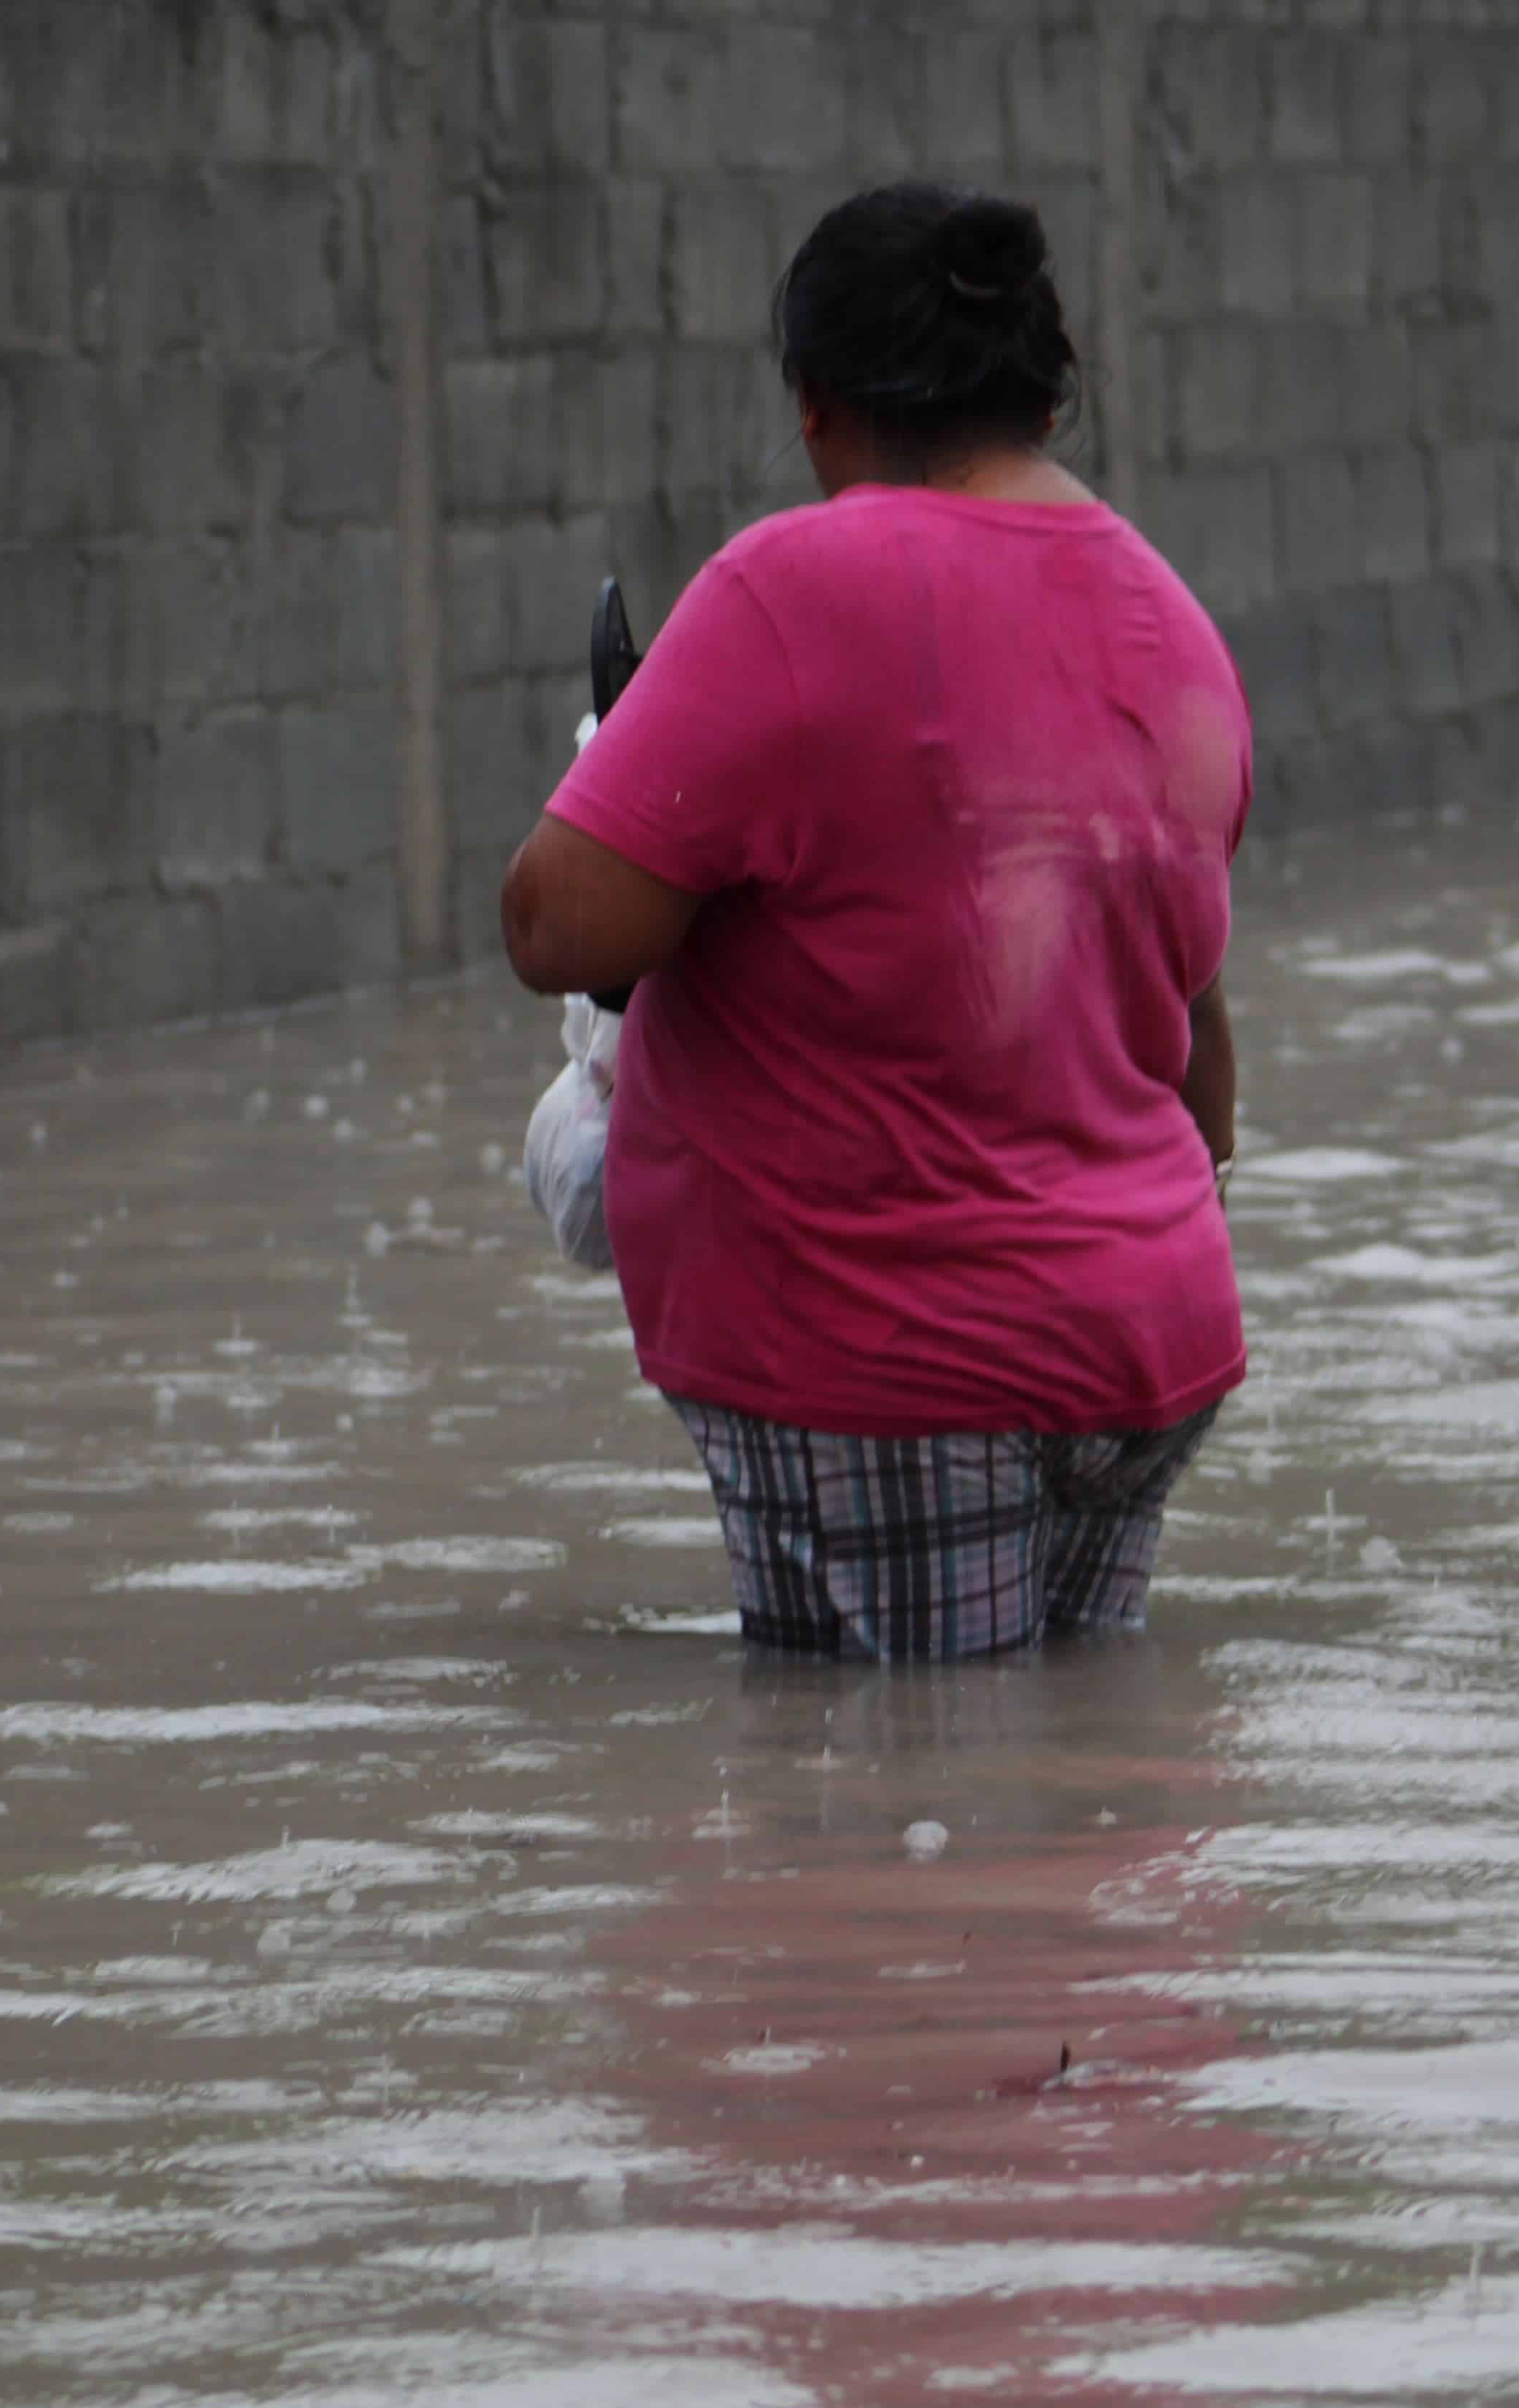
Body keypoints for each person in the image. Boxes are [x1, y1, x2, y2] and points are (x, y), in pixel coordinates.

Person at [497, 183, 1250, 1662]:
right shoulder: (1174, 620)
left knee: (906, 1838)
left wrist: (625, 761)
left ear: (817, 406)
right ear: (1049, 394)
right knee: (1077, 1810)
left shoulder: (795, 584)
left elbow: (557, 929)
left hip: (893, 1352)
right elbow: (1195, 1039)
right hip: (1148, 1335)